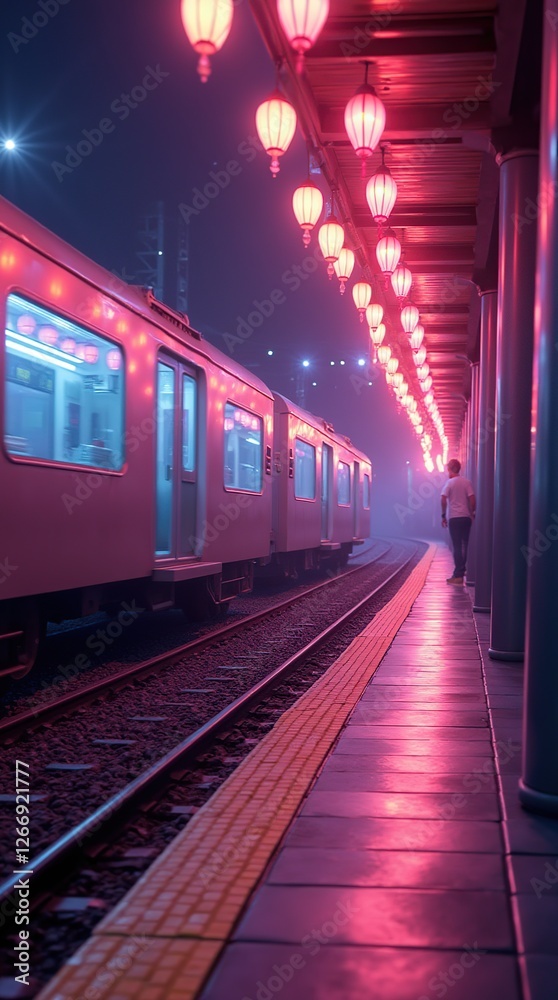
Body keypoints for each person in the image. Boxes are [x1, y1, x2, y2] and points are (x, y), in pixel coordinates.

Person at [440, 459, 476, 584]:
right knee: (465, 544)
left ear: (450, 469)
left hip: (454, 518)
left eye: (448, 469)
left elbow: (443, 499)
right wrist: (472, 513)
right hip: (466, 517)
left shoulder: (449, 483)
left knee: (457, 545)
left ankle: (458, 575)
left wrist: (443, 515)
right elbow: (472, 499)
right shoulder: (467, 482)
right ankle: (462, 568)